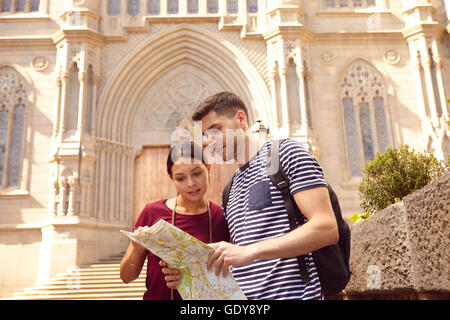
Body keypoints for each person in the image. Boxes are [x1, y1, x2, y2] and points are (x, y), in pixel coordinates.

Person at [162, 91, 339, 300]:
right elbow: (240, 264)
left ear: (240, 119)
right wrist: (188, 272)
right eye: (205, 136)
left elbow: (326, 228)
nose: (211, 141)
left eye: (216, 130)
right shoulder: (230, 190)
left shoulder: (285, 154)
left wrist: (250, 251)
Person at [119, 141, 230, 300]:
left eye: (197, 173)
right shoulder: (152, 213)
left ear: (209, 169)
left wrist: (190, 277)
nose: (190, 183)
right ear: (172, 179)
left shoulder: (222, 217)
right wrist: (137, 248)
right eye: (180, 178)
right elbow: (126, 277)